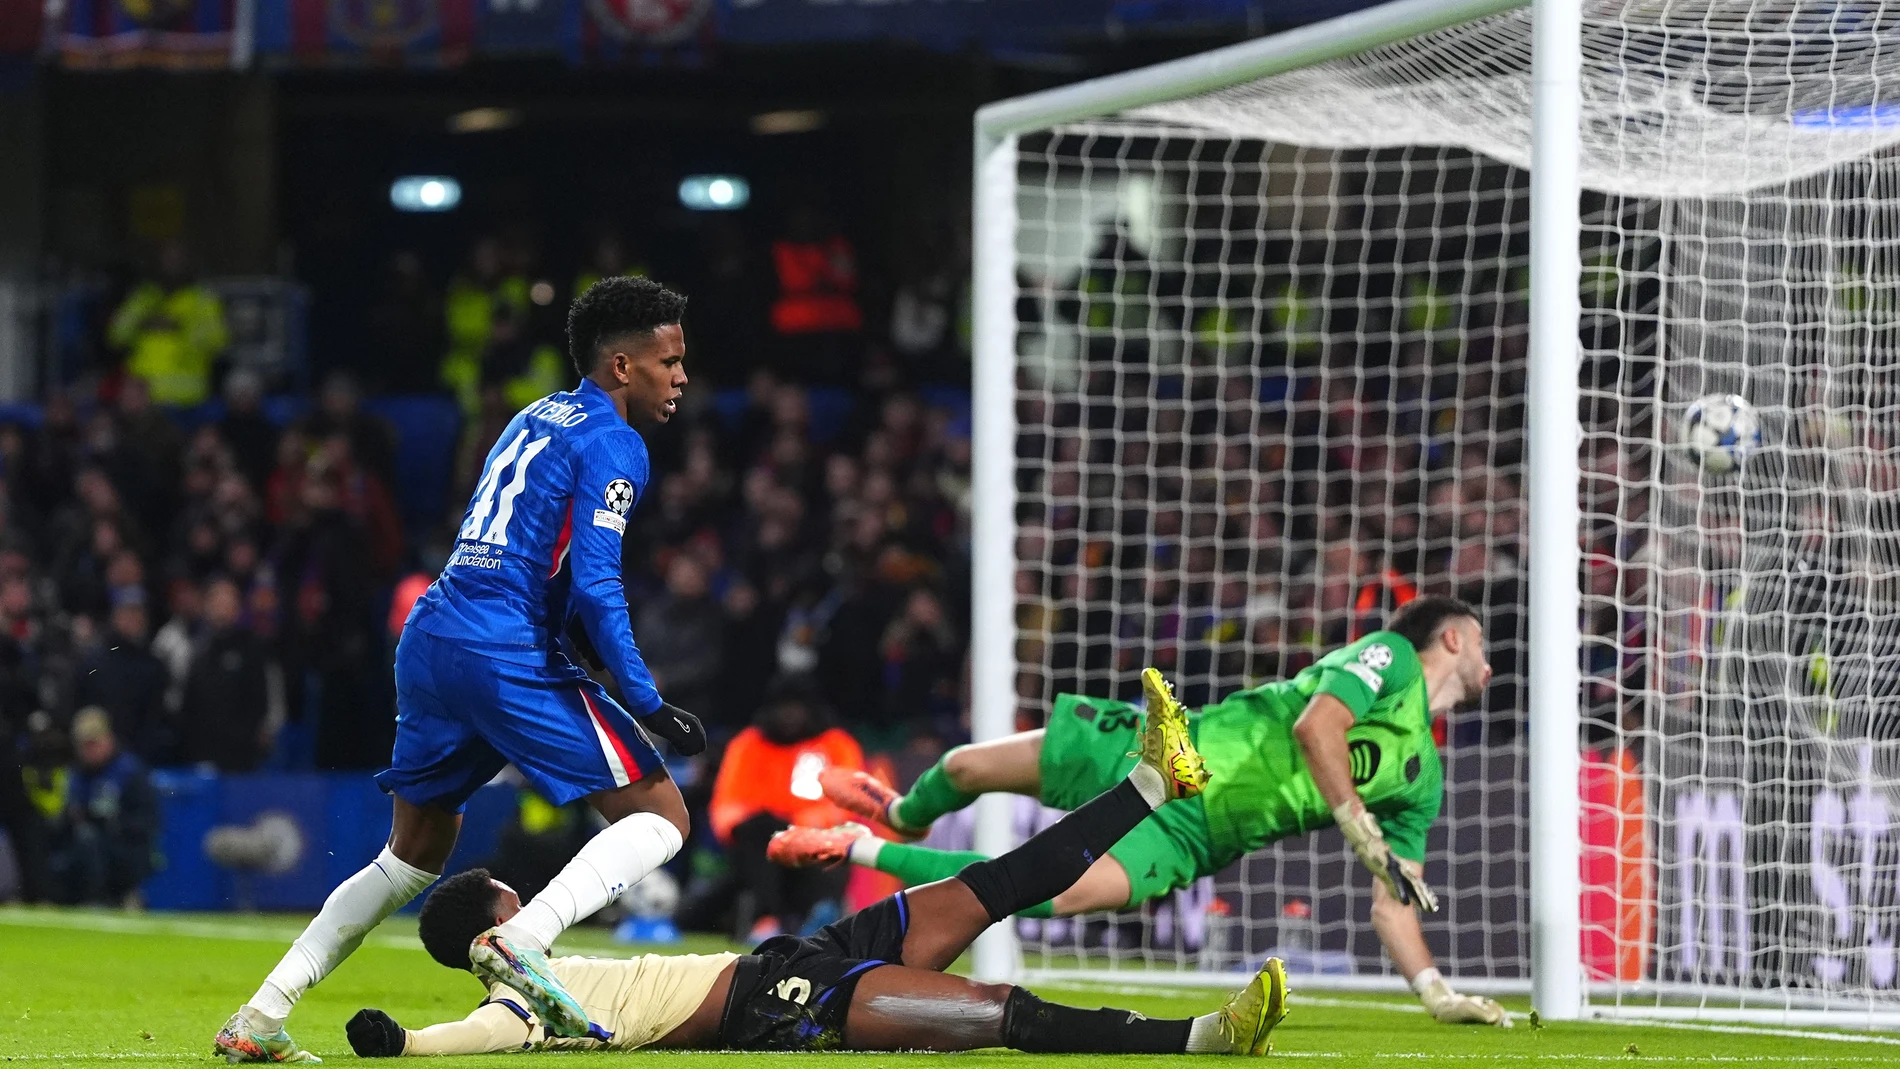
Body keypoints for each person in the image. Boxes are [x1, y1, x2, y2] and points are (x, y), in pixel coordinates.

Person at [214, 276, 707, 1062]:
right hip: (501, 644)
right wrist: (643, 696)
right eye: (669, 360)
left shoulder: (533, 414)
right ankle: (527, 938)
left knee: (410, 853)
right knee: (664, 819)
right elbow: (596, 580)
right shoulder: (617, 442)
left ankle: (261, 1017)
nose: (682, 376)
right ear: (622, 365)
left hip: (434, 631)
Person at [343, 672, 1288, 1059]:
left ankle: (1153, 786)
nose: (534, 906)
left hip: (797, 954)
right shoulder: (513, 993)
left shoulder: (539, 970)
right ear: (493, 919)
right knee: (996, 1015)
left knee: (993, 885)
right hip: (776, 999)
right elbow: (482, 1038)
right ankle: (1202, 1037)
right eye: (516, 899)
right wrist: (404, 1044)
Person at [782, 594, 1512, 1028]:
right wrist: (1358, 826)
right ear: (1452, 636)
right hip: (1162, 743)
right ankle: (904, 814)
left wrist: (1438, 992)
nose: (1489, 659)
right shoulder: (1387, 658)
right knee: (966, 766)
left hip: (1193, 833)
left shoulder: (1424, 782)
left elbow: (1396, 901)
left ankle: (860, 844)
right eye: (1482, 641)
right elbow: (1315, 728)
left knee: (1058, 890)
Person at [47, 708, 157, 907]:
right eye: (84, 745)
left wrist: (111, 821)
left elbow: (148, 820)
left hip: (123, 849)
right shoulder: (74, 776)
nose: (89, 750)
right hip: (84, 850)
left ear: (108, 738)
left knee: (91, 842)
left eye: (93, 743)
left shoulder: (129, 772)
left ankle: (113, 898)